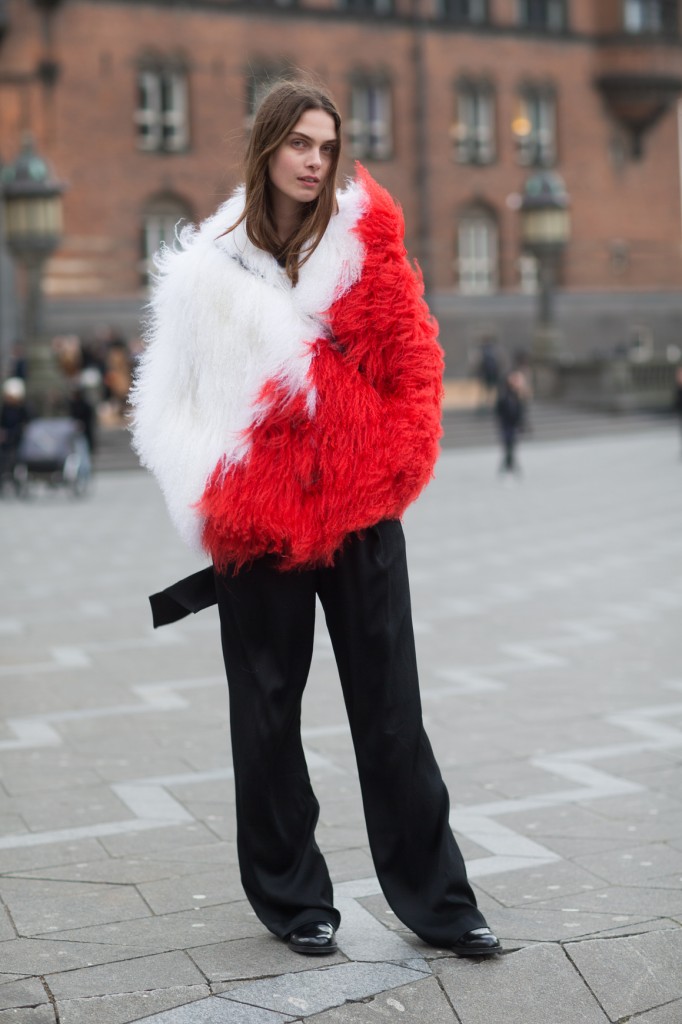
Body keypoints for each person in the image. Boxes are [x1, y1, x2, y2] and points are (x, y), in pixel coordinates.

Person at [130, 79, 501, 959]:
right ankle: (293, 897)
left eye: (327, 145)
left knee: (392, 710)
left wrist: (389, 469)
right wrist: (215, 498)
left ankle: (441, 902)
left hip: (362, 512)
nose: (315, 161)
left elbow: (414, 366)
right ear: (267, 147)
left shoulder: (365, 245)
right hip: (255, 526)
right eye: (299, 143)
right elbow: (167, 407)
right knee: (265, 712)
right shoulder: (206, 272)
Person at [494, 369, 527, 476]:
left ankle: (508, 468)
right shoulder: (505, 394)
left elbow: (520, 411)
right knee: (509, 447)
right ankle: (509, 468)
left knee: (510, 447)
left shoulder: (517, 394)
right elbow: (500, 410)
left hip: (512, 425)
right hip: (506, 425)